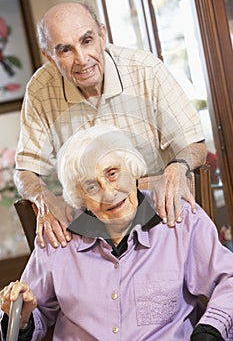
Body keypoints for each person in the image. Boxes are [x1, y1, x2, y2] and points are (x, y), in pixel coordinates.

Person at [1, 125, 232, 341]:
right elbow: (32, 317)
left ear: (132, 169)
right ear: (80, 198)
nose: (108, 193)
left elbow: (228, 280)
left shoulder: (178, 220)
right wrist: (22, 317)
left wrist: (209, 330)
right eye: (91, 186)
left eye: (112, 173)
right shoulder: (58, 239)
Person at [14, 2, 207, 249]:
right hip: (92, 234)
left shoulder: (146, 70)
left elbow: (194, 144)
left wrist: (177, 168)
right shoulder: (40, 90)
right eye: (65, 50)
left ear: (102, 35)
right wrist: (44, 199)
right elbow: (25, 171)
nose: (82, 59)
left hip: (160, 220)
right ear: (49, 56)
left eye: (87, 40)